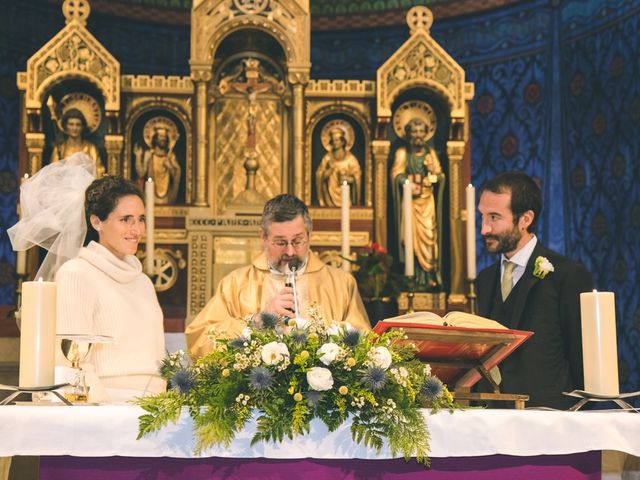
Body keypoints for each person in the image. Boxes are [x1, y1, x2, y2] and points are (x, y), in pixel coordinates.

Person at [186, 194, 371, 358]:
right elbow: (199, 339)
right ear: (263, 238)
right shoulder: (235, 284)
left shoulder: (341, 284)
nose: (290, 251)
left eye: (298, 241)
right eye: (281, 242)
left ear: (309, 234)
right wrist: (256, 322)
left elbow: (364, 343)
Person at [476, 171, 593, 409]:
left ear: (525, 219)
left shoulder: (567, 275)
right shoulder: (485, 280)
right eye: (482, 217)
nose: (484, 230)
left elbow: (581, 357)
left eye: (494, 217)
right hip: (493, 419)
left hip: (550, 418)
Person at [54, 174, 166, 402]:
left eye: (141, 219)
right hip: (108, 407)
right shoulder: (76, 273)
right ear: (97, 222)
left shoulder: (143, 282)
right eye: (126, 219)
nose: (137, 230)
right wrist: (106, 416)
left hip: (155, 410)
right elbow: (71, 363)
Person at [390, 117, 443, 290]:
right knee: (410, 238)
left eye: (421, 131)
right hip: (410, 204)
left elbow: (440, 176)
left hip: (427, 202)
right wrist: (407, 182)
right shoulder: (402, 153)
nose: (418, 135)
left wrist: (433, 175)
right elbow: (396, 175)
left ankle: (429, 278)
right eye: (414, 131)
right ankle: (412, 280)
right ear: (407, 133)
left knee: (429, 238)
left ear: (427, 133)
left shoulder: (431, 153)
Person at [315, 127, 362, 207]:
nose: (334, 143)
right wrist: (326, 173)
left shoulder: (351, 159)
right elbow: (319, 174)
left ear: (342, 142)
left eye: (337, 140)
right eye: (333, 140)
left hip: (345, 196)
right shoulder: (327, 158)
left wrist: (348, 179)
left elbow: (357, 176)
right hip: (330, 196)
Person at [51, 108, 105, 177]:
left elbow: (98, 171)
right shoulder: (60, 149)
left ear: (82, 127)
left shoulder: (90, 148)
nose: (74, 128)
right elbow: (53, 174)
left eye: (78, 124)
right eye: (71, 124)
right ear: (66, 126)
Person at [134, 126, 181, 204]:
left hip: (167, 194)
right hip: (151, 195)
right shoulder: (149, 155)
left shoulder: (170, 156)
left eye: (164, 137)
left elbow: (176, 175)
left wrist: (169, 166)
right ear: (155, 139)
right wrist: (138, 157)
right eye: (161, 137)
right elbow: (141, 173)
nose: (163, 139)